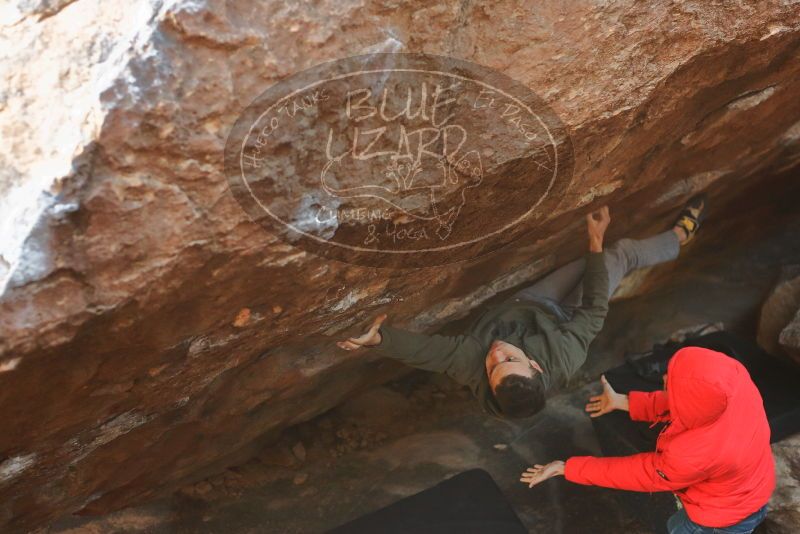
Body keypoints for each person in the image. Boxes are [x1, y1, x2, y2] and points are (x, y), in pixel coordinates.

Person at [337, 196, 706, 419]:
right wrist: (595, 244)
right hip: (568, 317)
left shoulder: (475, 368)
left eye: (493, 365)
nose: (496, 353)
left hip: (527, 306)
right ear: (536, 366)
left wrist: (378, 340)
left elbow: (430, 352)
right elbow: (594, 306)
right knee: (619, 254)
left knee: (603, 259)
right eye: (508, 360)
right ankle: (679, 237)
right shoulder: (564, 355)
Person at [520, 347, 775, 534]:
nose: (664, 377)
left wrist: (568, 468)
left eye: (670, 383)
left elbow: (637, 473)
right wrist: (625, 402)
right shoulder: (735, 386)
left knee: (677, 529)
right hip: (754, 489)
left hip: (722, 518)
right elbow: (687, 405)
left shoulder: (693, 454)